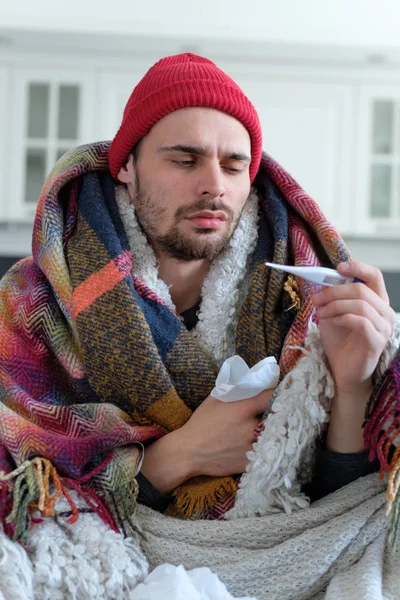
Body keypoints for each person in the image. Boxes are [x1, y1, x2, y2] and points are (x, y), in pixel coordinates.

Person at [0, 53, 397, 535]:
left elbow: (343, 514)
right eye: (184, 160)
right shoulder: (29, 302)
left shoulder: (311, 302)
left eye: (234, 166)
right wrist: (182, 456)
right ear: (126, 165)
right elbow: (19, 505)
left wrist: (354, 383)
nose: (214, 186)